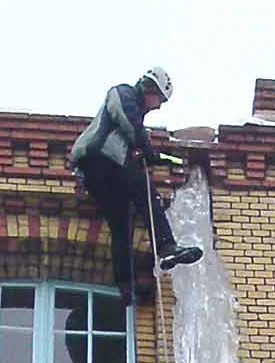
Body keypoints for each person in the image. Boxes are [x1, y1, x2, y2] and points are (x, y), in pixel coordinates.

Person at [69, 66, 202, 306]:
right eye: (159, 98)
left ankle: (125, 285)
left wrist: (152, 153)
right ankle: (166, 246)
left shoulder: (133, 119)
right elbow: (128, 121)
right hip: (98, 158)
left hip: (103, 170)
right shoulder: (123, 93)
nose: (158, 105)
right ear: (149, 88)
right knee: (146, 193)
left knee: (122, 224)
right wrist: (147, 150)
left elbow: (132, 137)